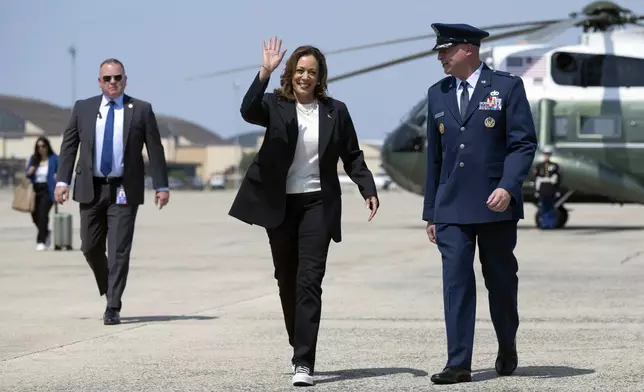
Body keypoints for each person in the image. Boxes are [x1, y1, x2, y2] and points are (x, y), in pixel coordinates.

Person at [228, 37, 380, 387]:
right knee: (287, 279)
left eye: (311, 72)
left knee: (310, 280)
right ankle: (299, 342)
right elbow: (247, 110)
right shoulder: (274, 105)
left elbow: (353, 155)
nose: (305, 77)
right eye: (299, 70)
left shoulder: (335, 111)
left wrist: (367, 188)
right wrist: (263, 71)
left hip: (318, 203)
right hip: (279, 205)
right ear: (290, 73)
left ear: (320, 77)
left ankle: (304, 362)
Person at [422, 23, 538, 384]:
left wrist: (508, 186)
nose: (440, 57)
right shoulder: (437, 94)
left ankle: (507, 343)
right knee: (455, 283)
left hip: (495, 205)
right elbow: (435, 159)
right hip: (452, 206)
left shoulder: (506, 87)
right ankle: (458, 363)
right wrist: (431, 212)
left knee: (501, 282)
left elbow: (522, 144)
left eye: (446, 50)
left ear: (468, 49)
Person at [55, 58, 170, 326]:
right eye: (107, 79)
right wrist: (62, 181)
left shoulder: (141, 110)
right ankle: (110, 284)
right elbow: (69, 146)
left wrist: (161, 185)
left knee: (119, 249)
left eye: (117, 78)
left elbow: (155, 150)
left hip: (123, 189)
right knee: (89, 246)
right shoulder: (83, 108)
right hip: (90, 188)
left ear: (125, 80)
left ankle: (113, 305)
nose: (113, 83)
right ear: (99, 82)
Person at [25, 136, 59, 251]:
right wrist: (30, 171)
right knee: (35, 215)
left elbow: (61, 172)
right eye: (38, 146)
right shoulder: (34, 159)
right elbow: (27, 174)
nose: (41, 148)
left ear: (47, 146)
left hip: (48, 190)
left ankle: (41, 241)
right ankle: (45, 232)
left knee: (43, 214)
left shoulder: (54, 159)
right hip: (35, 190)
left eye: (43, 146)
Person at [533, 146, 561, 229]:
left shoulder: (554, 166)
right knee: (543, 207)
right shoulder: (539, 166)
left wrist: (557, 190)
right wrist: (536, 190)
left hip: (551, 189)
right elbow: (536, 179)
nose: (547, 156)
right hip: (542, 189)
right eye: (545, 154)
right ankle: (544, 224)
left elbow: (557, 179)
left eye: (548, 154)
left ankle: (551, 224)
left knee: (551, 207)